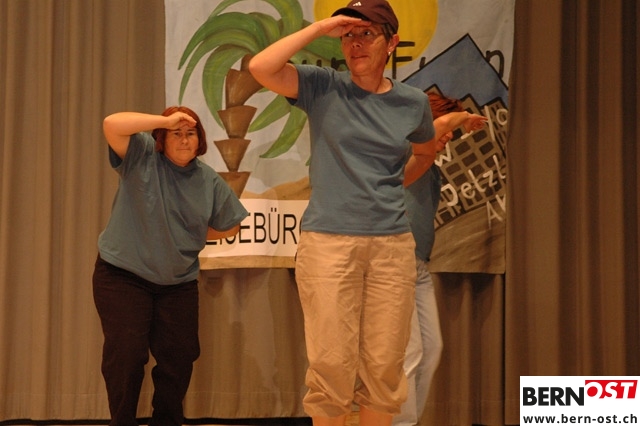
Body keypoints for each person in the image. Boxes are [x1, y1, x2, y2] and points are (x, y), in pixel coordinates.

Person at [249, 1, 451, 425]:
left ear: (392, 42)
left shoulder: (412, 102)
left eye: (367, 34)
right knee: (332, 366)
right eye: (349, 35)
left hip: (392, 245)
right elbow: (261, 67)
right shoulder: (323, 86)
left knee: (384, 367)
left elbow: (424, 152)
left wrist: (389, 186)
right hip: (329, 243)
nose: (356, 43)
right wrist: (320, 28)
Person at [92, 106, 248, 426]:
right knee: (127, 355)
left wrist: (194, 233)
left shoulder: (208, 180)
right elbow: (112, 123)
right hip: (123, 276)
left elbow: (232, 224)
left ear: (200, 140)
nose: (184, 139)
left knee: (180, 357)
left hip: (177, 283)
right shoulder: (142, 155)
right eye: (176, 133)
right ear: (161, 138)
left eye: (190, 133)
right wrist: (165, 120)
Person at [395, 93, 487, 426]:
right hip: (397, 261)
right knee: (409, 351)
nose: (448, 137)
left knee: (431, 349)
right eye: (445, 129)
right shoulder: (405, 151)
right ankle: (400, 424)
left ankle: (408, 420)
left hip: (419, 265)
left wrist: (457, 122)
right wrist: (463, 118)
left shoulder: (429, 164)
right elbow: (434, 129)